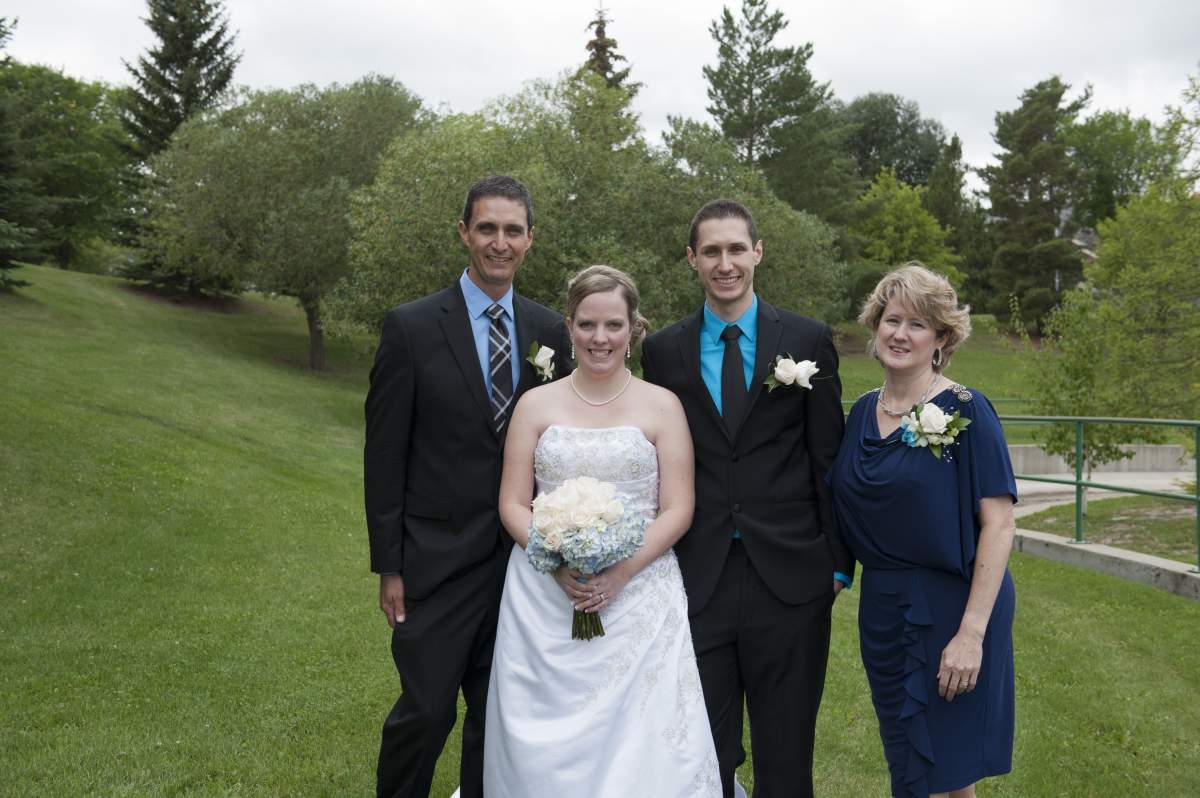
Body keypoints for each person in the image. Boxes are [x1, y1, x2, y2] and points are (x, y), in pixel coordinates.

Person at [364, 175, 569, 798]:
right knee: (425, 713)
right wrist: (390, 565)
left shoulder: (551, 332)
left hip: (523, 567)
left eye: (512, 230)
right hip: (436, 562)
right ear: (464, 233)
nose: (499, 243)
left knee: (498, 723)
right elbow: (385, 456)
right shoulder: (412, 327)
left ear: (530, 239)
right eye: (487, 229)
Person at [641, 199, 853, 797]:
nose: (725, 263)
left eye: (736, 249)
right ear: (692, 259)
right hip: (697, 574)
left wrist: (837, 563)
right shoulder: (664, 351)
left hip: (791, 577)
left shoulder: (807, 339)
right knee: (701, 755)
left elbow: (827, 458)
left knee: (786, 755)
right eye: (711, 251)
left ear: (757, 252)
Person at [486, 265, 721, 797]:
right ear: (569, 327)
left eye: (613, 325)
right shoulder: (535, 404)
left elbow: (678, 508)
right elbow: (512, 503)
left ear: (632, 329)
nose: (600, 338)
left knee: (642, 739)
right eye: (587, 324)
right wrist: (553, 558)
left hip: (641, 593)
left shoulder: (662, 405)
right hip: (544, 594)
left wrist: (620, 574)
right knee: (542, 744)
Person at [827, 263, 1017, 798]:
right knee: (908, 761)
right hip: (884, 609)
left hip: (953, 607)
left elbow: (999, 522)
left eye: (917, 324)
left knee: (949, 768)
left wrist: (971, 634)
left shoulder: (967, 411)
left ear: (941, 338)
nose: (900, 334)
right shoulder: (861, 413)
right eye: (892, 320)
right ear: (875, 326)